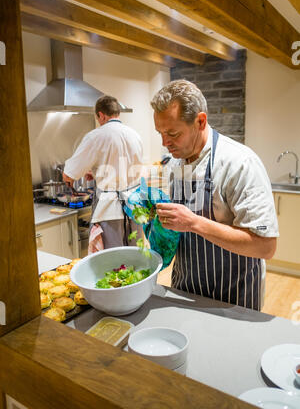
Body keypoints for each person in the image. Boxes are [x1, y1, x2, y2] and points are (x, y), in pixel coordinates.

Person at [151, 79, 279, 311]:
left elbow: (265, 247)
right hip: (184, 289)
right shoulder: (175, 163)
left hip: (234, 300)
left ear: (200, 122)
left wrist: (193, 222)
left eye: (172, 133)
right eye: (160, 132)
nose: (164, 142)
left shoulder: (239, 163)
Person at [63, 95, 144, 251]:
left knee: (112, 261)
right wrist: (97, 173)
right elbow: (124, 169)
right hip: (135, 207)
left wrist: (69, 179)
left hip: (110, 209)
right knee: (136, 256)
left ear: (101, 115)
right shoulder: (134, 135)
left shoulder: (96, 136)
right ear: (117, 112)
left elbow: (69, 174)